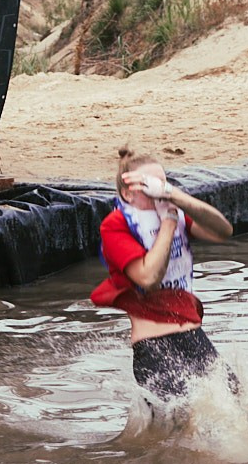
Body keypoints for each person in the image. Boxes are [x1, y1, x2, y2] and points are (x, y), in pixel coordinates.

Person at [93, 150, 239, 408]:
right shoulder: (116, 224)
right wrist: (169, 224)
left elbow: (223, 231)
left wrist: (175, 196)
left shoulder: (175, 209)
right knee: (185, 428)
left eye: (162, 184)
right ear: (129, 194)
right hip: (155, 347)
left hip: (194, 337)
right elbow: (149, 277)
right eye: (150, 186)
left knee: (240, 405)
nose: (159, 192)